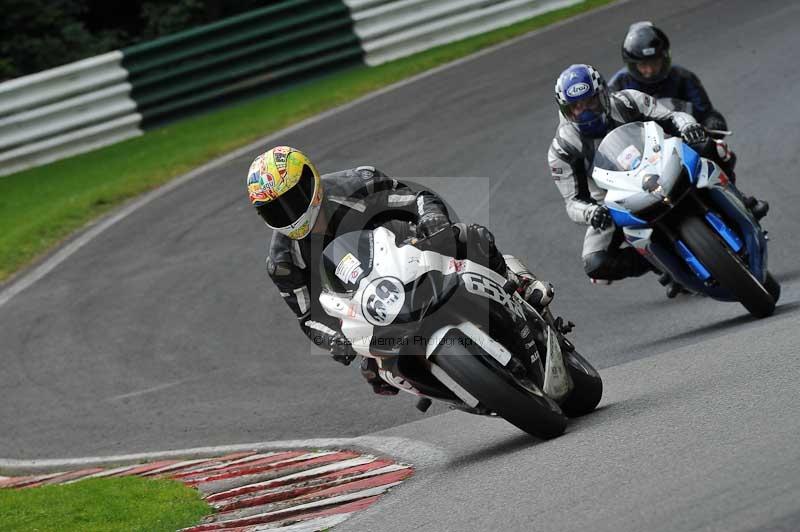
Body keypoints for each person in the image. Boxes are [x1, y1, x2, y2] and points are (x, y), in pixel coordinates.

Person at [248, 146, 553, 395]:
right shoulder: (282, 261)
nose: (289, 214)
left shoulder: (354, 184)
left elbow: (414, 199)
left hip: (411, 251)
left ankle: (520, 283)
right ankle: (459, 388)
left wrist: (431, 216)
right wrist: (333, 340)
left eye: (292, 200)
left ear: (309, 181)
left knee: (468, 235)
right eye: (277, 209)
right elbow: (309, 317)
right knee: (375, 374)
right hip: (369, 306)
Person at [547, 63, 726, 291]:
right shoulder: (563, 148)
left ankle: (740, 199)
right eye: (576, 107)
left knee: (710, 145)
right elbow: (572, 202)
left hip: (659, 162)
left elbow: (671, 117)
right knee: (595, 264)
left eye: (590, 102)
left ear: (602, 94)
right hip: (613, 198)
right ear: (565, 110)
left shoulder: (628, 101)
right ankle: (662, 263)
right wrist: (591, 212)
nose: (585, 111)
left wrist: (688, 125)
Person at [608, 21, 767, 218]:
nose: (649, 70)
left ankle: (739, 201)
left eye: (654, 63)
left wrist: (712, 124)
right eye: (643, 65)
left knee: (715, 149)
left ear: (664, 58)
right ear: (633, 65)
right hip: (641, 157)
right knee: (613, 209)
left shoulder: (683, 77)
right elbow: (609, 131)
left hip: (683, 144)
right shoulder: (616, 88)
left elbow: (706, 111)